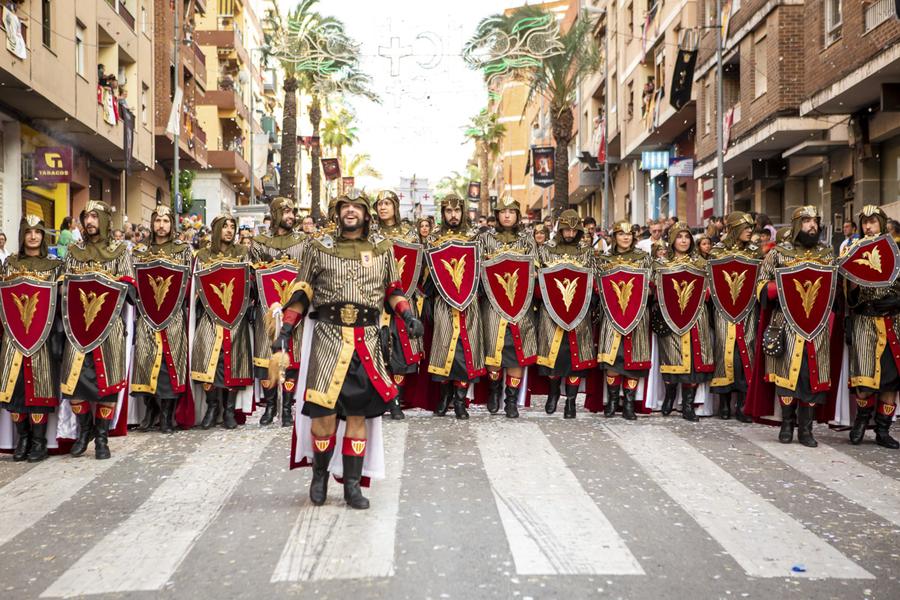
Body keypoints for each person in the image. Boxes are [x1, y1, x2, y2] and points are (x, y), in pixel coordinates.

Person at [271, 189, 423, 509]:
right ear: (337, 212)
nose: (350, 211)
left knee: (358, 416)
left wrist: (407, 315)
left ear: (367, 214)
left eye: (357, 207)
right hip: (328, 339)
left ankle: (352, 486)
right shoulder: (318, 247)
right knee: (323, 415)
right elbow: (302, 291)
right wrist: (286, 327)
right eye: (345, 207)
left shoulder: (382, 249)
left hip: (366, 341)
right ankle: (320, 475)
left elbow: (392, 289)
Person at [61, 201, 134, 459]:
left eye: (94, 216)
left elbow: (130, 290)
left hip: (109, 329)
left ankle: (102, 438)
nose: (89, 221)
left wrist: (115, 284)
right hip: (77, 330)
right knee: (73, 383)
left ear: (103, 219)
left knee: (108, 383)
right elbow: (64, 290)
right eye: (86, 217)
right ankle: (84, 431)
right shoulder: (73, 252)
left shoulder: (120, 252)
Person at [760, 206, 834, 447]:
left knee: (811, 375)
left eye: (815, 221)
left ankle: (806, 429)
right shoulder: (778, 253)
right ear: (795, 225)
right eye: (806, 221)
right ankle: (787, 424)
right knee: (786, 374)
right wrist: (779, 289)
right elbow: (761, 285)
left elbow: (835, 288)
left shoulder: (827, 253)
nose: (812, 225)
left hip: (816, 325)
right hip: (786, 322)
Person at [0, 215, 63, 461]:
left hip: (42, 337)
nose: (33, 236)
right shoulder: (10, 264)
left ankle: (39, 442)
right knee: (15, 389)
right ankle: (22, 439)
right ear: (22, 235)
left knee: (40, 386)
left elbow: (59, 304)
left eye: (37, 232)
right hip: (14, 337)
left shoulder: (55, 265)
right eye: (28, 232)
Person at [130, 205, 192, 434]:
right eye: (158, 220)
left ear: (171, 224)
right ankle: (150, 409)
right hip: (147, 315)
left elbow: (186, 283)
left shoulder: (183, 250)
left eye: (166, 220)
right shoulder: (139, 251)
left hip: (173, 316)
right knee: (146, 359)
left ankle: (167, 414)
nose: (161, 225)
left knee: (169, 363)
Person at [476, 194, 538, 417]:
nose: (507, 215)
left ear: (517, 215)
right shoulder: (485, 240)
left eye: (511, 212)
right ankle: (494, 391)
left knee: (515, 352)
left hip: (520, 305)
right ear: (497, 215)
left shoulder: (528, 240)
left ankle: (511, 399)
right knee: (494, 350)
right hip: (493, 304)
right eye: (503, 212)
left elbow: (535, 271)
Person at [190, 213, 253, 430]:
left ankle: (229, 410)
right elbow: (194, 287)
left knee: (233, 362)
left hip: (236, 318)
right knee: (209, 360)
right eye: (224, 226)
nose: (229, 230)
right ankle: (212, 406)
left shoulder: (242, 252)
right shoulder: (203, 255)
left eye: (232, 226)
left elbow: (249, 283)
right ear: (216, 229)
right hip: (209, 317)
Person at [425, 194, 485, 419]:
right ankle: (444, 396)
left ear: (462, 212)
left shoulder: (473, 237)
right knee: (443, 347)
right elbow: (428, 270)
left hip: (469, 302)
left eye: (457, 211)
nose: (453, 215)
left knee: (464, 351)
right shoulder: (433, 238)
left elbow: (479, 268)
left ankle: (460, 400)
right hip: (443, 302)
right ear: (443, 214)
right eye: (449, 211)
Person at [249, 197, 307, 427]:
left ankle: (286, 408)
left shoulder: (304, 242)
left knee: (292, 358)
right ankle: (270, 406)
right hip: (267, 311)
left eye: (292, 212)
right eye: (285, 212)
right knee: (266, 358)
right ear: (275, 214)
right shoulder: (259, 243)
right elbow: (253, 278)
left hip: (295, 309)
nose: (291, 216)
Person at [845, 205, 899, 449]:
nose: (868, 226)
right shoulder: (851, 251)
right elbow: (848, 300)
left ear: (882, 223)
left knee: (891, 381)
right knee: (864, 381)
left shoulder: (897, 251)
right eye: (864, 222)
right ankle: (860, 423)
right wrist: (851, 286)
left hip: (893, 323)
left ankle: (883, 429)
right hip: (865, 322)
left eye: (873, 222)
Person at [536, 210, 596, 418]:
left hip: (579, 313)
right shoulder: (545, 250)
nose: (570, 233)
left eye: (574, 229)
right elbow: (537, 279)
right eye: (566, 229)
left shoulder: (586, 251)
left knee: (575, 360)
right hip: (551, 312)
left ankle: (571, 402)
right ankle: (553, 395)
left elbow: (593, 280)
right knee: (554, 359)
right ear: (560, 229)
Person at [372, 190, 424, 419]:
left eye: (387, 203)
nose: (383, 207)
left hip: (404, 297)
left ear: (395, 206)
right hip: (375, 299)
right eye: (379, 204)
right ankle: (381, 398)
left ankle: (396, 400)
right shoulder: (370, 235)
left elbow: (419, 265)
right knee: (377, 349)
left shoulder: (410, 234)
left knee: (401, 354)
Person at [654, 223, 713, 421]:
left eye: (687, 237)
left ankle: (688, 405)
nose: (684, 240)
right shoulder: (661, 264)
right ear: (672, 240)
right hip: (670, 317)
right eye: (679, 237)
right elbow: (655, 289)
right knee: (671, 356)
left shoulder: (702, 263)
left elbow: (712, 288)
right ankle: (669, 397)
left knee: (694, 362)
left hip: (697, 316)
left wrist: (706, 293)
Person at [707, 212, 762, 421]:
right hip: (723, 310)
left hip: (747, 310)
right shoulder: (717, 251)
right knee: (724, 352)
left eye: (751, 227)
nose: (750, 231)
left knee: (745, 351)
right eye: (746, 227)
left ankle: (742, 404)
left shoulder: (756, 252)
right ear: (735, 228)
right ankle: (724, 404)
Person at [597, 221, 652, 419]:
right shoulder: (604, 258)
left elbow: (650, 284)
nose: (626, 237)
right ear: (615, 237)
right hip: (611, 314)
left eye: (629, 234)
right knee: (613, 358)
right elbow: (598, 285)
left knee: (633, 359)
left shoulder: (643, 258)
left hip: (637, 315)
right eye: (621, 234)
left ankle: (628, 403)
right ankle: (612, 401)